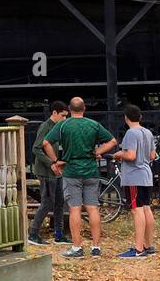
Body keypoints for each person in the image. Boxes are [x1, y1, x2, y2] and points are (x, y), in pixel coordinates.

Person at [43, 96, 116, 258]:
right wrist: (98, 151)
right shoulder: (93, 124)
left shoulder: (63, 125)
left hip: (71, 171)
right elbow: (112, 141)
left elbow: (46, 143)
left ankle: (77, 248)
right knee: (93, 208)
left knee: (74, 208)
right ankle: (96, 247)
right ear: (84, 109)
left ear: (69, 109)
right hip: (91, 170)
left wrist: (55, 161)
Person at [114, 104, 158, 258]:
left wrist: (119, 154)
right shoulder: (147, 132)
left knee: (136, 209)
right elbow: (153, 155)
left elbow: (131, 155)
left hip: (133, 176)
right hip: (146, 175)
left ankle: (138, 249)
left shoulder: (131, 133)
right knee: (146, 208)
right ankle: (148, 245)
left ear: (126, 118)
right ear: (140, 117)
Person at [28, 101, 70, 246]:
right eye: (63, 115)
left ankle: (59, 234)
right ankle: (33, 233)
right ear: (54, 113)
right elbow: (36, 148)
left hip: (55, 170)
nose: (65, 119)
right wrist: (50, 163)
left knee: (59, 202)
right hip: (46, 171)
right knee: (48, 202)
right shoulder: (45, 126)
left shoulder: (57, 127)